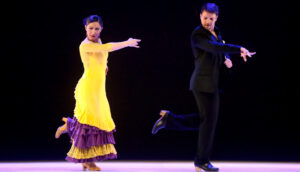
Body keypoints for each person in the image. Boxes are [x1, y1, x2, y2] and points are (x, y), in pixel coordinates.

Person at [151, 3, 255, 172]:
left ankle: (170, 120)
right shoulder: (197, 34)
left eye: (211, 19)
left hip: (212, 83)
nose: (208, 22)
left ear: (217, 18)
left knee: (205, 120)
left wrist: (227, 58)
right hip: (202, 83)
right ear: (200, 16)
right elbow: (214, 47)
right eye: (205, 18)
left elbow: (220, 47)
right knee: (209, 122)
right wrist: (238, 49)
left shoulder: (217, 31)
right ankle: (201, 161)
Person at [55, 14, 141, 171]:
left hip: (99, 90)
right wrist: (127, 43)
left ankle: (68, 126)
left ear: (101, 29)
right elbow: (106, 48)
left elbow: (101, 56)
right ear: (85, 28)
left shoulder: (97, 41)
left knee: (96, 123)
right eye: (90, 28)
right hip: (87, 88)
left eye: (96, 28)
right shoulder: (84, 45)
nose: (93, 32)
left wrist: (105, 66)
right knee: (89, 124)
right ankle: (89, 161)